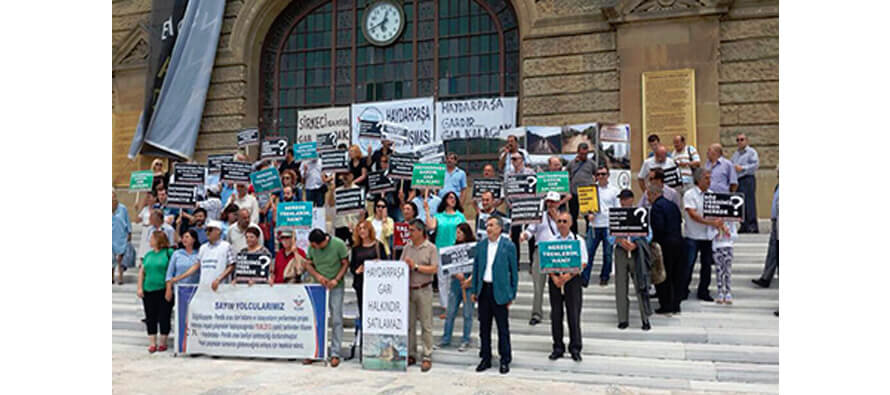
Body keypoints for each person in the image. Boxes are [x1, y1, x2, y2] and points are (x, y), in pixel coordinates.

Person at [470, 216, 517, 375]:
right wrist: (474, 290)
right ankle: (486, 357)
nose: (488, 228)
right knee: (484, 327)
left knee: (502, 328)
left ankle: (505, 359)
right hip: (484, 290)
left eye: (491, 225)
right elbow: (476, 268)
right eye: (487, 225)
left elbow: (513, 272)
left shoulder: (508, 246)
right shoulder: (481, 245)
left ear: (499, 228)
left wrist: (512, 294)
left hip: (500, 291)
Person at [304, 229, 350, 367]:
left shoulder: (338, 244)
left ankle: (335, 352)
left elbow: (345, 263)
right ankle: (315, 351)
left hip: (336, 285)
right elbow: (308, 264)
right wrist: (318, 277)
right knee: (316, 319)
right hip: (318, 286)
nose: (314, 248)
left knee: (336, 317)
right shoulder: (312, 248)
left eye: (315, 246)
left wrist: (336, 279)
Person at [547, 211, 588, 361]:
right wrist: (555, 277)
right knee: (556, 315)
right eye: (559, 221)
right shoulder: (551, 240)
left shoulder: (579, 241)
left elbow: (583, 262)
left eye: (565, 221)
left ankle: (575, 347)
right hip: (555, 280)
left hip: (573, 281)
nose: (562, 224)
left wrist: (568, 276)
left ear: (571, 223)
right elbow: (546, 262)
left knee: (573, 315)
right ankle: (558, 347)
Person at [610, 190, 653, 330]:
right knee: (621, 286)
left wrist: (635, 244)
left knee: (640, 283)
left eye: (626, 199)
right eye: (621, 199)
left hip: (636, 251)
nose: (623, 202)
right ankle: (622, 318)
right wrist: (620, 241)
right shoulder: (615, 215)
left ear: (632, 199)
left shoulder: (641, 213)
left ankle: (645, 318)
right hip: (621, 251)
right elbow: (609, 236)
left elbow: (649, 234)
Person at [401, 219, 440, 372]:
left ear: (420, 231)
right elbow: (400, 264)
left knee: (426, 324)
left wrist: (416, 267)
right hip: (409, 289)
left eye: (411, 230)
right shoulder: (407, 247)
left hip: (424, 289)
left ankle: (427, 355)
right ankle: (411, 353)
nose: (409, 233)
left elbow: (434, 269)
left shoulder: (431, 248)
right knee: (409, 324)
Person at [683, 168, 727, 302]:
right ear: (699, 180)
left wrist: (718, 221)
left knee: (706, 265)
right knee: (688, 264)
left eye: (710, 178)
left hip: (707, 236)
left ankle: (703, 290)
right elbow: (692, 214)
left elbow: (717, 211)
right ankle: (683, 288)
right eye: (706, 178)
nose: (709, 181)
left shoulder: (711, 194)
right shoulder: (690, 194)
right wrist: (710, 222)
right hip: (693, 235)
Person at [520, 192, 562, 326]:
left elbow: (567, 233)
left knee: (556, 285)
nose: (550, 204)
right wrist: (524, 235)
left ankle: (557, 312)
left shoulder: (563, 217)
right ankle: (536, 313)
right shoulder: (539, 216)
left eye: (553, 202)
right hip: (541, 250)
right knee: (538, 284)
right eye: (548, 202)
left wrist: (557, 219)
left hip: (556, 251)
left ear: (558, 203)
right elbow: (531, 230)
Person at [425, 190, 467, 310]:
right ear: (445, 200)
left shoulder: (460, 216)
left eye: (454, 197)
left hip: (456, 249)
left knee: (457, 278)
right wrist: (427, 211)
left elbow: (465, 231)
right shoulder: (438, 216)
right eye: (450, 197)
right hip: (441, 250)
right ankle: (445, 306)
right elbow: (431, 226)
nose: (452, 199)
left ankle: (457, 304)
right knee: (443, 280)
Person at [438, 222, 476, 352]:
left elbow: (477, 266)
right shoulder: (453, 248)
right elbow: (447, 267)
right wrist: (456, 273)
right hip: (456, 284)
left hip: (469, 284)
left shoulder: (473, 248)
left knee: (467, 313)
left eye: (460, 232)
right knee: (450, 312)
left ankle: (466, 339)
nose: (457, 235)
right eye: (457, 232)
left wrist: (469, 279)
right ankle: (446, 338)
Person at [649, 184, 685, 315]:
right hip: (678, 243)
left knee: (664, 276)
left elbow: (658, 227)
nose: (648, 198)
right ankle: (676, 304)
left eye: (649, 195)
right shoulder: (673, 205)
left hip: (665, 245)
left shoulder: (656, 207)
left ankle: (666, 305)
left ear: (654, 194)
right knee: (676, 275)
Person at [351, 220, 390, 339]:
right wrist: (358, 270)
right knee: (364, 313)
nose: (362, 231)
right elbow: (352, 267)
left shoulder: (378, 245)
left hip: (376, 286)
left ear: (370, 230)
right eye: (359, 229)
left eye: (364, 228)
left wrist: (375, 264)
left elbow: (386, 264)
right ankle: (366, 340)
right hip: (361, 284)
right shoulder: (356, 248)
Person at [582, 166, 619, 287]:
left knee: (608, 254)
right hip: (594, 226)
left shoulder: (614, 190)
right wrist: (588, 214)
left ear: (608, 175)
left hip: (608, 225)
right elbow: (585, 207)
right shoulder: (590, 189)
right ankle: (584, 278)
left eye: (603, 174)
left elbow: (617, 208)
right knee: (588, 253)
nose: (601, 176)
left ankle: (605, 276)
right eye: (598, 174)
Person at [137, 231, 174, 353]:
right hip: (149, 289)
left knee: (164, 315)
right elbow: (142, 271)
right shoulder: (148, 255)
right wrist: (140, 287)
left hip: (163, 289)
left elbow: (172, 270)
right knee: (150, 316)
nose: (150, 241)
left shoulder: (168, 253)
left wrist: (169, 287)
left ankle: (163, 341)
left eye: (152, 238)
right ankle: (152, 342)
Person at [504, 151, 536, 268]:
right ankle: (515, 262)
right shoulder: (509, 175)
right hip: (515, 208)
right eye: (512, 159)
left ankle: (532, 262)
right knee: (515, 236)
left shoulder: (530, 173)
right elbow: (506, 192)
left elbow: (536, 189)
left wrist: (533, 204)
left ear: (522, 160)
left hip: (528, 207)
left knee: (530, 234)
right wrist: (509, 204)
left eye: (516, 159)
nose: (514, 161)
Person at [731, 133, 760, 233]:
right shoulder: (736, 154)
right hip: (738, 180)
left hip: (747, 178)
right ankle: (744, 225)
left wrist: (742, 168)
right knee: (740, 203)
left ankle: (752, 225)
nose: (739, 142)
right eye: (737, 140)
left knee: (749, 202)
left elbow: (755, 165)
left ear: (746, 141)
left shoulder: (751, 152)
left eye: (742, 139)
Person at [194, 220, 236, 287]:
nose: (207, 232)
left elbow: (232, 265)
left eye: (210, 230)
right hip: (204, 286)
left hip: (220, 287)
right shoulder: (202, 247)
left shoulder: (226, 246)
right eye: (206, 230)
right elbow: (196, 265)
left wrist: (219, 279)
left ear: (218, 231)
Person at [753, 181, 779, 288]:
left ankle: (766, 278)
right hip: (775, 221)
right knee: (773, 249)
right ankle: (766, 277)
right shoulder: (778, 185)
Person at [327, 171, 364, 245]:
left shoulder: (358, 190)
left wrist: (359, 225)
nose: (345, 177)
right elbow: (331, 204)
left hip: (354, 225)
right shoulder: (337, 190)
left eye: (347, 175)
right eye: (343, 175)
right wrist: (331, 191)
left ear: (352, 176)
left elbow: (362, 210)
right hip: (340, 224)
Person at [164, 229, 201, 301]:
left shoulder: (199, 254)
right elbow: (169, 273)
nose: (184, 239)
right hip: (179, 289)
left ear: (194, 239)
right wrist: (168, 289)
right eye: (183, 237)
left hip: (195, 289)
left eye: (187, 237)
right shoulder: (177, 253)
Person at [568, 144, 596, 234]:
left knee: (588, 217)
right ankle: (574, 235)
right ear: (578, 152)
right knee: (573, 216)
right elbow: (566, 175)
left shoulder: (591, 163)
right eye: (582, 154)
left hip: (587, 194)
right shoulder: (571, 163)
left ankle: (589, 235)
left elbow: (597, 173)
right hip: (574, 193)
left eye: (586, 154)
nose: (584, 156)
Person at [712, 220, 738, 304]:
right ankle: (720, 292)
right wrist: (717, 230)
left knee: (727, 271)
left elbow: (735, 236)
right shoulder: (713, 221)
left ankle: (728, 292)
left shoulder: (731, 221)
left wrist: (727, 231)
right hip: (717, 247)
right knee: (719, 271)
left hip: (728, 247)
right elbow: (709, 236)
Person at [112, 191, 131, 285]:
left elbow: (127, 220)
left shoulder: (123, 208)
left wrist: (129, 232)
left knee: (120, 258)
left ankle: (120, 277)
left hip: (121, 235)